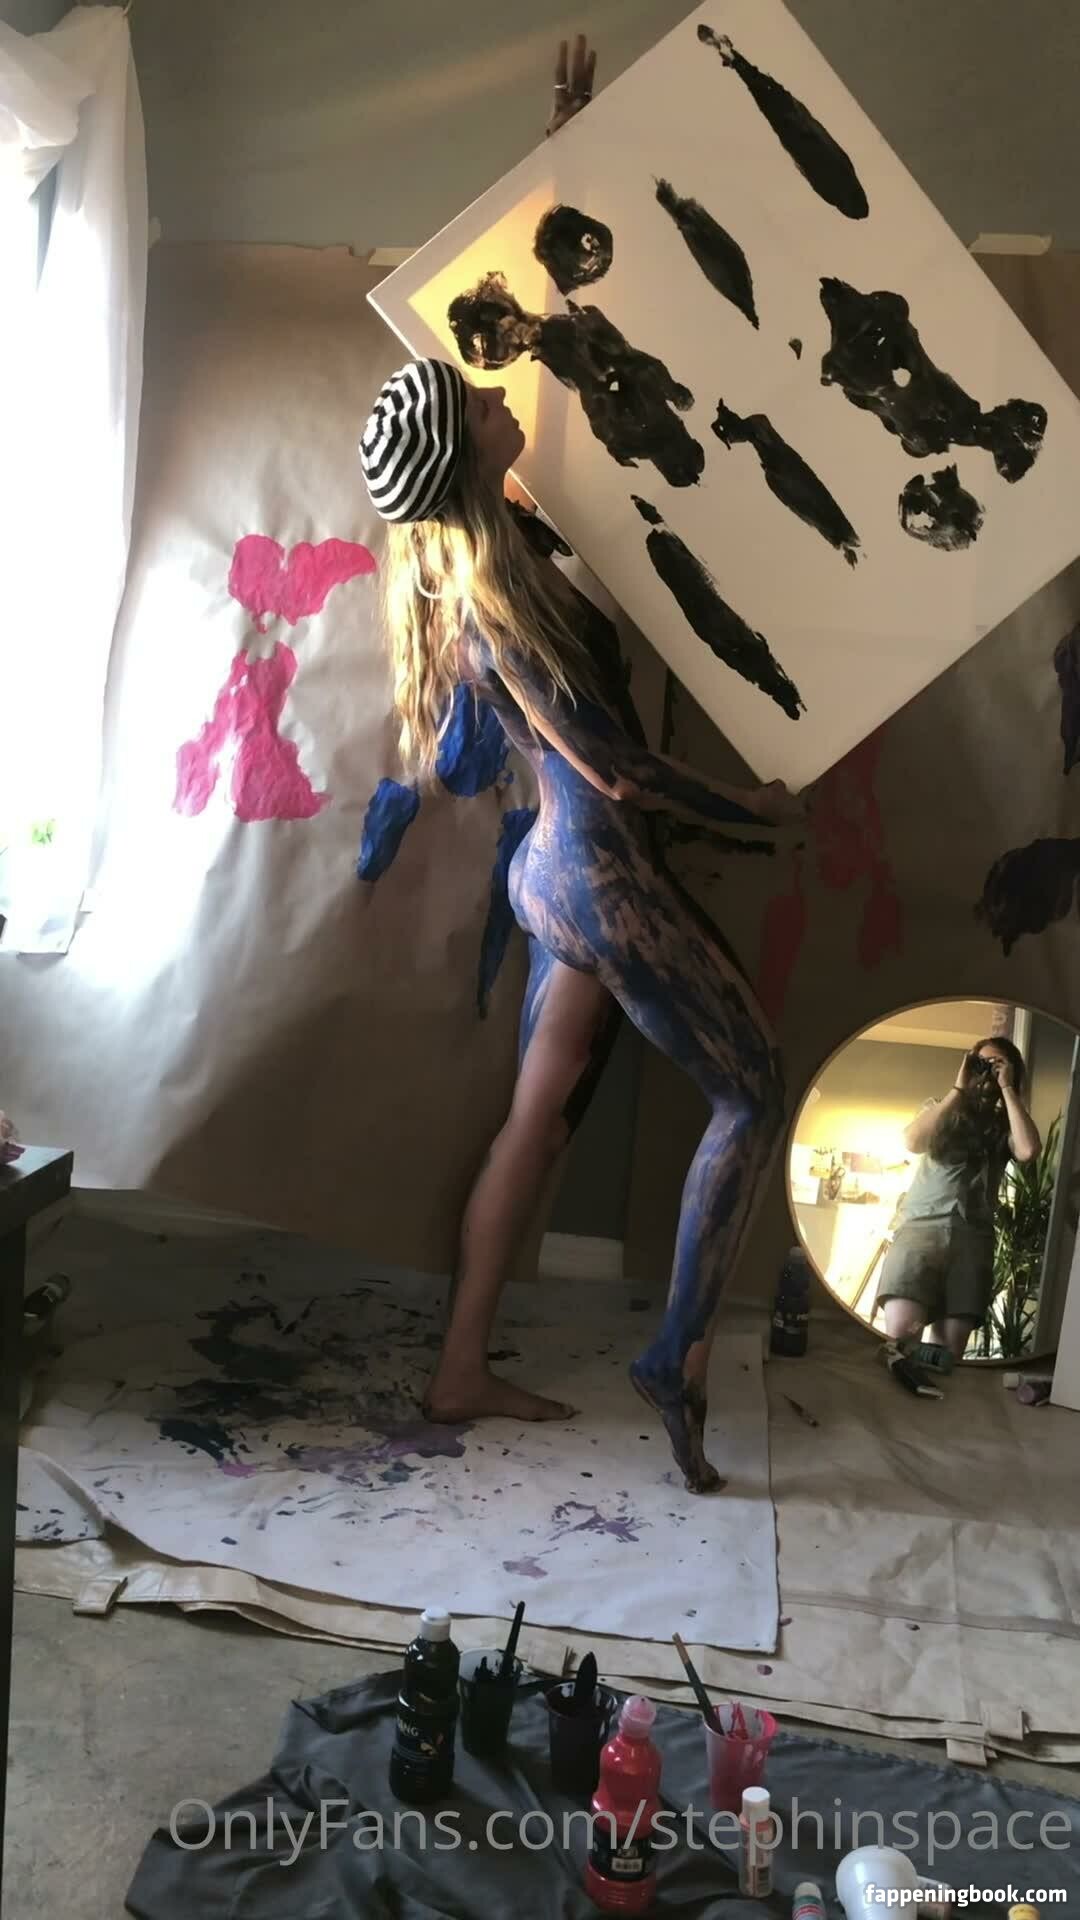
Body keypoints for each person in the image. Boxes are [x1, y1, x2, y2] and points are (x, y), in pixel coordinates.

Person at [357, 40, 802, 1493]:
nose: (502, 396)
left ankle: (459, 1366)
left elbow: (553, 361)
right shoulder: (503, 597)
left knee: (534, 1125)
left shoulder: (481, 550)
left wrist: (573, 143)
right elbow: (616, 773)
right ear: (464, 456)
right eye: (478, 402)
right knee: (754, 1091)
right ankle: (675, 1356)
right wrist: (754, 810)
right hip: (598, 877)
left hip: (555, 883)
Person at [877, 1038, 1041, 1362]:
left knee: (947, 1356)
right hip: (920, 1233)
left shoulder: (1004, 1125)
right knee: (900, 1341)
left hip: (972, 1241)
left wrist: (1007, 1088)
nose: (986, 1072)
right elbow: (912, 1141)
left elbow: (1028, 1150)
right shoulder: (939, 1108)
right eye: (981, 1063)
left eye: (995, 1065)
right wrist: (959, 1088)